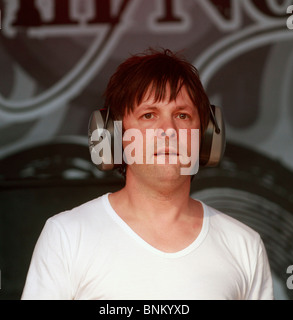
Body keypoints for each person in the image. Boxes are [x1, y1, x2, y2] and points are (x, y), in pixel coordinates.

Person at [21, 48, 274, 300]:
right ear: (114, 135)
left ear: (206, 136)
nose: (168, 130)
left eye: (182, 115)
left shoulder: (245, 246)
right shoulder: (66, 236)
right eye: (149, 115)